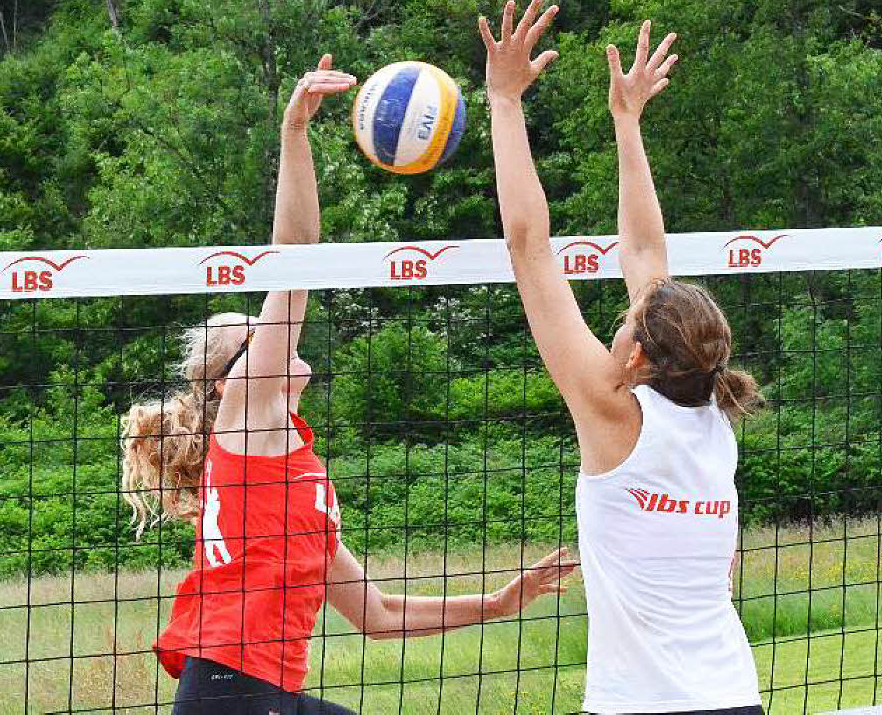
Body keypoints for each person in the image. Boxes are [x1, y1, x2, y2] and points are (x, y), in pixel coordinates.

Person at [121, 54, 577, 715]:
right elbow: (296, 253)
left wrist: (501, 601)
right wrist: (294, 134)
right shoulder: (247, 417)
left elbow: (379, 611)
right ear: (229, 381)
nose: (272, 331)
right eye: (252, 336)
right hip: (233, 692)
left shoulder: (295, 467)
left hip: (249, 697)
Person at [479, 0, 765, 715]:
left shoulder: (612, 411)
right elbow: (644, 253)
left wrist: (503, 100)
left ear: (636, 354)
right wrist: (626, 123)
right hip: (734, 699)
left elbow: (529, 245)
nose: (626, 307)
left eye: (630, 314)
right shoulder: (712, 419)